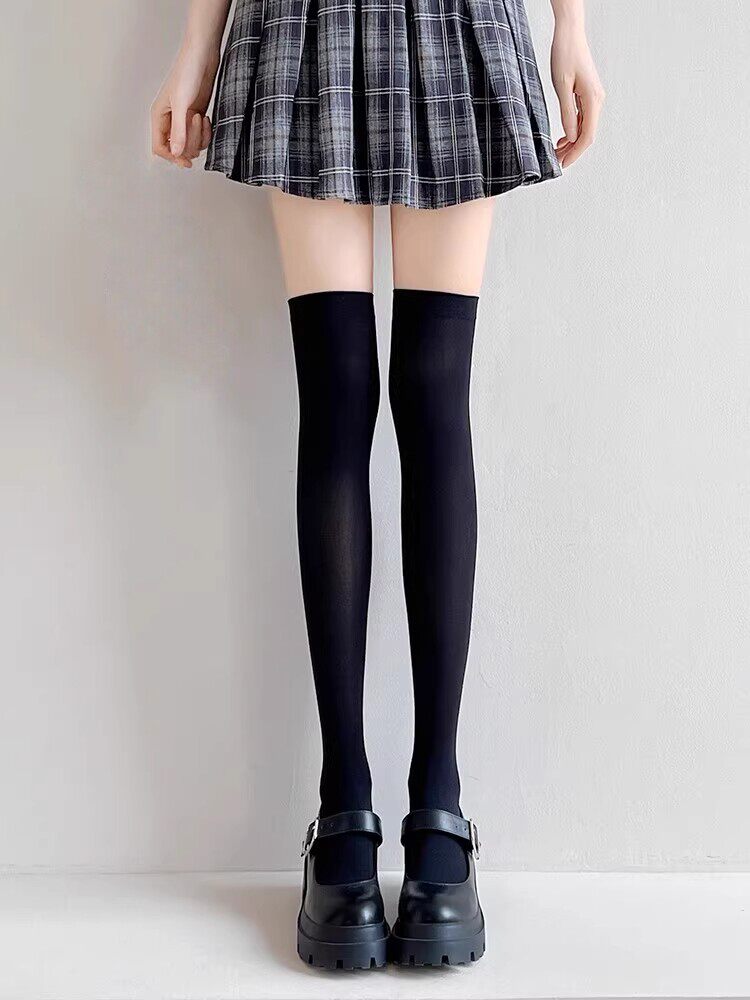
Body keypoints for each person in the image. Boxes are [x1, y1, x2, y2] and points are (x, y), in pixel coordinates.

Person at [151, 0, 603, 970]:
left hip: (454, 20)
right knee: (339, 389)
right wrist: (194, 47)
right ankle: (345, 799)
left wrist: (571, 27)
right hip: (305, 22)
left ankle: (436, 793)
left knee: (432, 393)